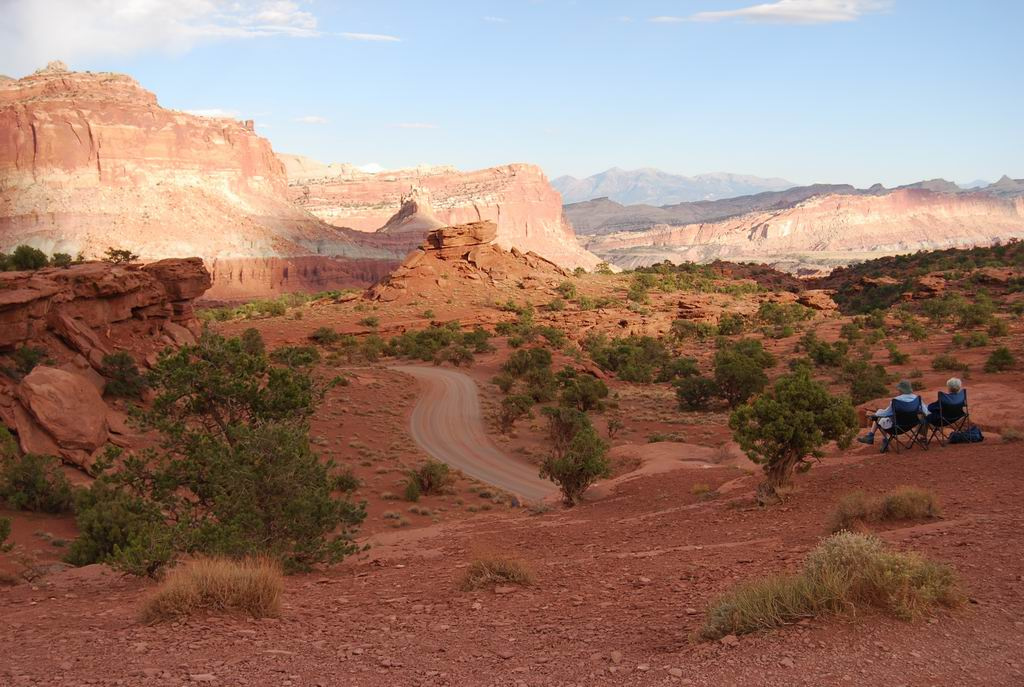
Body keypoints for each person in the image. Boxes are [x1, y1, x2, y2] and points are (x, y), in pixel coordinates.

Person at [857, 379, 928, 449]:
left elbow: (886, 413)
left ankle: (877, 437)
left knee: (879, 418)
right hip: (911, 425)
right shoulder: (917, 399)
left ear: (901, 390)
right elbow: (925, 411)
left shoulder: (896, 400)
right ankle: (875, 437)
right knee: (885, 418)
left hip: (896, 427)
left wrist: (876, 413)